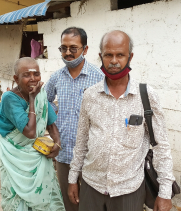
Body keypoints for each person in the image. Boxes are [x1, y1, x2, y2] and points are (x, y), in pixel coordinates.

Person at [67, 30, 175, 211]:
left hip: (128, 190)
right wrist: (72, 179)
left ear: (130, 57)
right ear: (101, 56)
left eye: (120, 55)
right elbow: (81, 142)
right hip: (91, 185)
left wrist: (164, 192)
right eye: (108, 55)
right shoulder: (90, 95)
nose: (114, 61)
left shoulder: (146, 96)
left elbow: (161, 146)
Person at [44, 27, 104, 211]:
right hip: (63, 155)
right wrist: (56, 111)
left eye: (73, 48)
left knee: (90, 204)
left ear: (85, 50)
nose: (67, 53)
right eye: (63, 48)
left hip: (90, 156)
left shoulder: (98, 77)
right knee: (69, 203)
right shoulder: (56, 78)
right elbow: (43, 103)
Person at [0, 57, 65, 211]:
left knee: (48, 198)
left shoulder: (41, 94)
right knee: (19, 201)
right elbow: (30, 131)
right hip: (17, 162)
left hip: (38, 158)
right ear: (16, 78)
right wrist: (32, 100)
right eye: (26, 75)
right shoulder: (10, 99)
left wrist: (57, 143)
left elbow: (51, 124)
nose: (33, 79)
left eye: (37, 74)